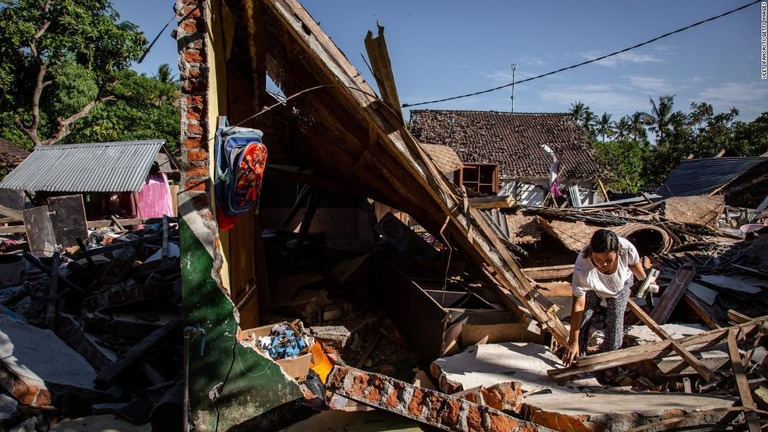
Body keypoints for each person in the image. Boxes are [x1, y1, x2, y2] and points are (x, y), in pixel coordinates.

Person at [562, 229, 655, 367]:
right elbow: (578, 307)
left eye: (608, 260)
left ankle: (606, 362)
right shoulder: (583, 269)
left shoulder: (627, 248)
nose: (603, 264)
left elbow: (636, 268)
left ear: (618, 252)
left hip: (620, 285)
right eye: (598, 260)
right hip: (594, 286)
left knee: (615, 324)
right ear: (591, 253)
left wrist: (646, 280)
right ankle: (578, 357)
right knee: (584, 319)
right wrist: (573, 341)